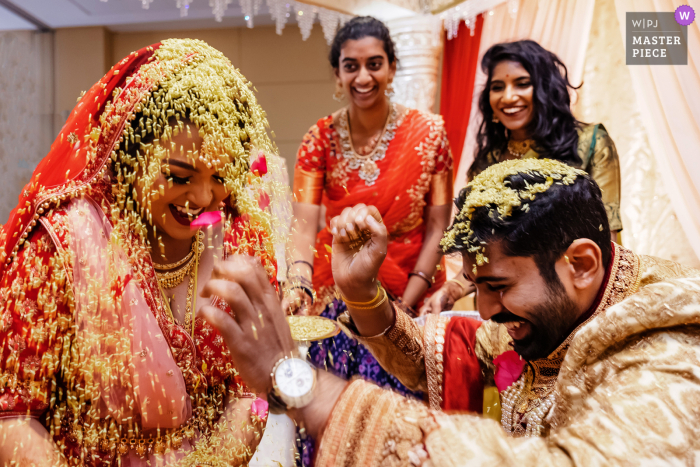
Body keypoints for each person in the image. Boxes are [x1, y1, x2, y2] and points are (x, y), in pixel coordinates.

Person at [200, 158, 700, 466]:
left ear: (582, 264)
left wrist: (301, 385)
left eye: (499, 287)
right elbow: (439, 355)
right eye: (476, 287)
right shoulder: (565, 310)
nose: (484, 311)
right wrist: (360, 289)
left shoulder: (665, 349)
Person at [0, 39, 284, 466]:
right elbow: (14, 415)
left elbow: (251, 393)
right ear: (129, 155)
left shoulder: (241, 239)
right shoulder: (63, 243)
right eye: (179, 176)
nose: (203, 197)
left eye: (220, 177)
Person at [284, 18, 453, 458]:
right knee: (335, 417)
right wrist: (299, 280)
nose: (363, 77)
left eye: (374, 64)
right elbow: (304, 225)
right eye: (351, 66)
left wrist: (407, 303)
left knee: (400, 426)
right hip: (338, 291)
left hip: (409, 292)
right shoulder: (319, 137)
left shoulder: (429, 134)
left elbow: (438, 228)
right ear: (338, 75)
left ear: (392, 69)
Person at [421, 40, 623, 315]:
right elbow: (483, 254)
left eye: (522, 83)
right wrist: (453, 289)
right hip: (508, 309)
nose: (508, 97)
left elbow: (607, 243)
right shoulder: (488, 163)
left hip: (577, 302)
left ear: (545, 89)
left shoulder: (589, 144)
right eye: (497, 87)